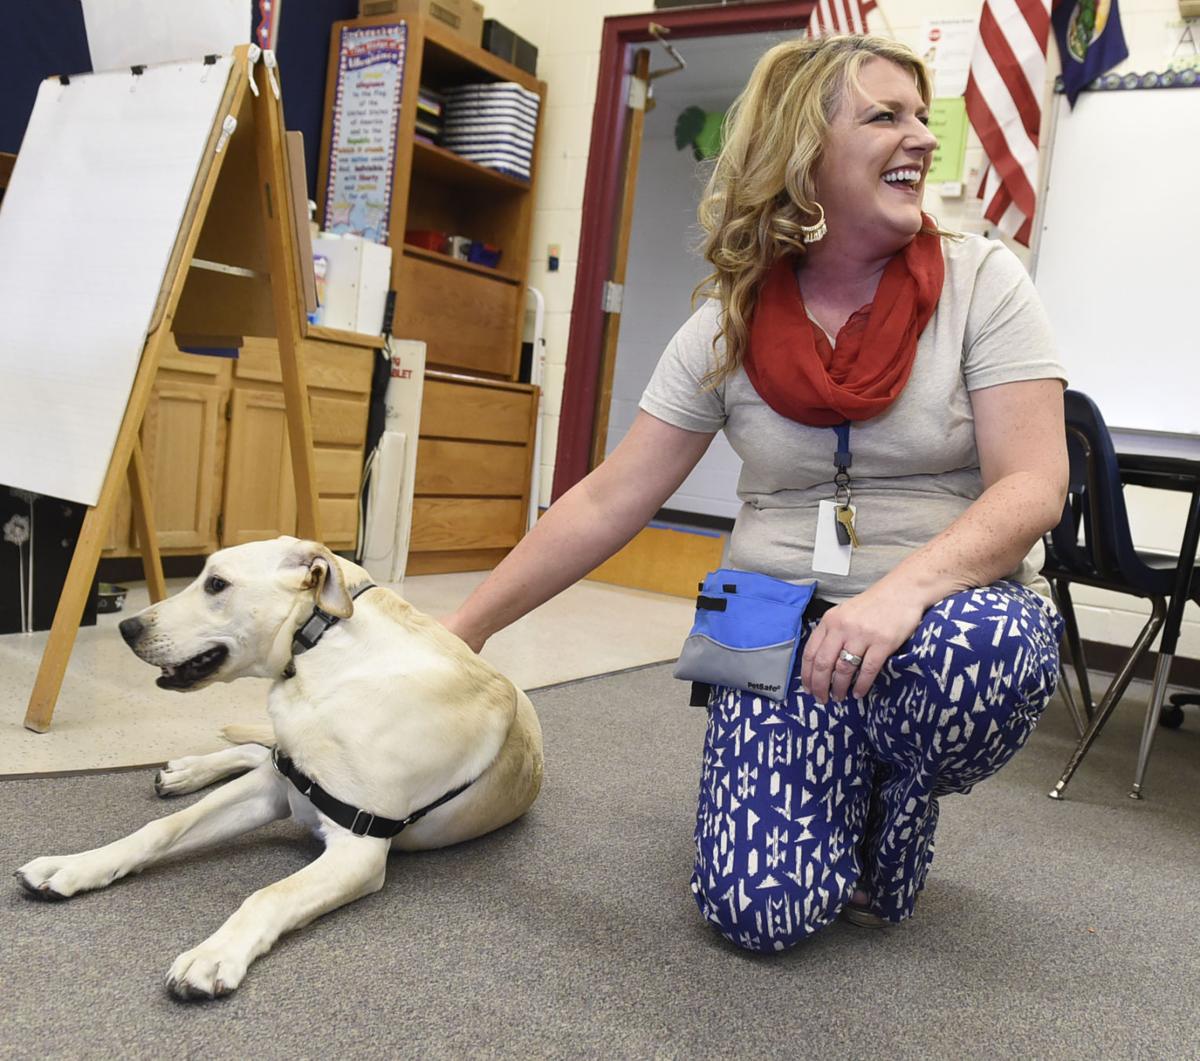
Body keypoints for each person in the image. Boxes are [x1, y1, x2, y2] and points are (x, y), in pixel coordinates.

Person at [442, 34, 1068, 952]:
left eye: (917, 115)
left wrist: (895, 597)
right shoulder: (728, 321)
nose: (922, 139)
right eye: (884, 116)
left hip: (934, 620)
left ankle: (894, 775)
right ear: (803, 151)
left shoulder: (985, 284)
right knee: (758, 915)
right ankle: (833, 775)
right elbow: (610, 498)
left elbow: (1035, 485)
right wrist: (464, 631)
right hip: (779, 630)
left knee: (979, 650)